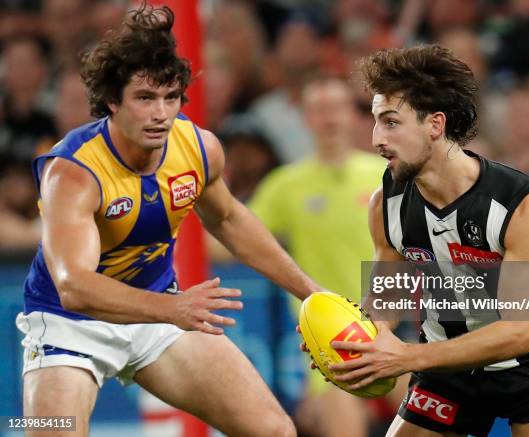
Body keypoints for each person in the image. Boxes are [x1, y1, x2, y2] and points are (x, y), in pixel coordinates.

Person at [17, 6, 322, 437]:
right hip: (70, 327)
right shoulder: (73, 173)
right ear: (112, 100)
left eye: (171, 97)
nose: (162, 113)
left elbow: (230, 219)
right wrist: (174, 307)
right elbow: (73, 287)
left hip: (158, 315)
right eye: (145, 98)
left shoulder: (199, 148)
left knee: (274, 431)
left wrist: (311, 292)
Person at [324, 46, 529, 437]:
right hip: (446, 372)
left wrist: (408, 357)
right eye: (376, 122)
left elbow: (517, 333)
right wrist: (353, 343)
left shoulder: (523, 204)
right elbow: (388, 296)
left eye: (391, 122)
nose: (377, 138)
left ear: (435, 124)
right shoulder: (386, 204)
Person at [250, 76, 402, 437]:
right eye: (318, 110)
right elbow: (236, 236)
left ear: (353, 116)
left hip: (394, 326)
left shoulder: (386, 174)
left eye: (336, 108)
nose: (328, 118)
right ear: (306, 118)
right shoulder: (285, 184)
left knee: (437, 423)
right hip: (330, 336)